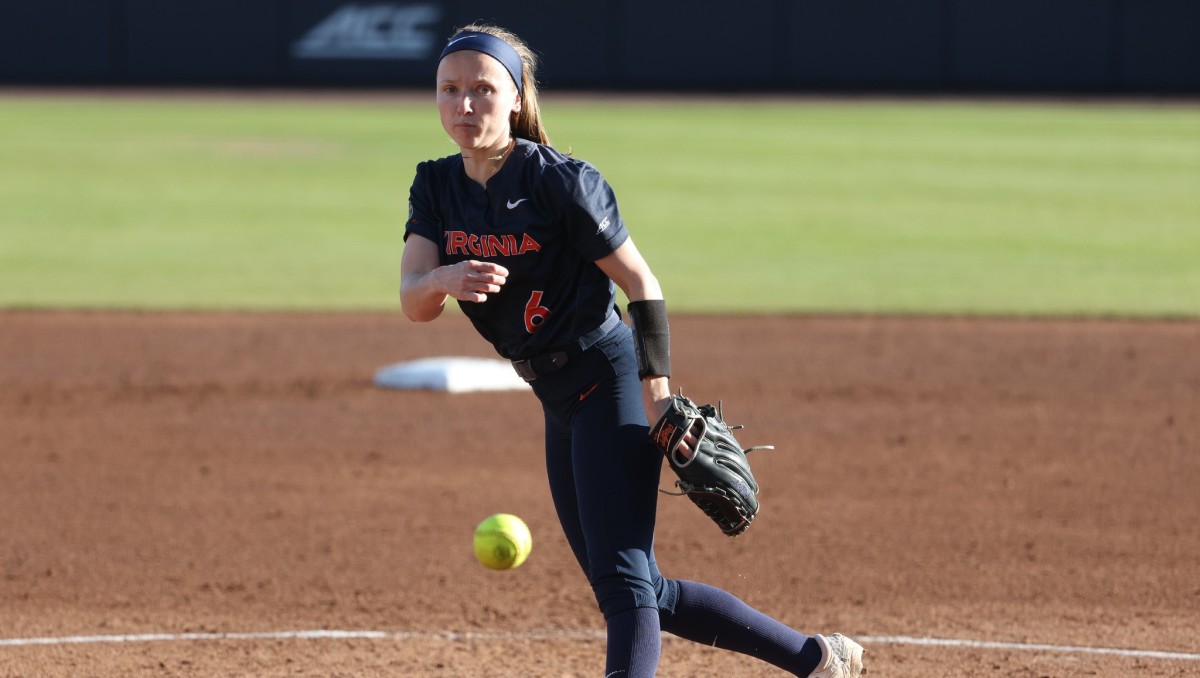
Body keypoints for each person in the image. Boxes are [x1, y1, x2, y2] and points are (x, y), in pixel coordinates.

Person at [400, 23, 865, 678]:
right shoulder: (434, 186)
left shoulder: (561, 182)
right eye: (450, 90)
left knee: (624, 584)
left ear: (515, 97)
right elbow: (413, 299)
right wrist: (443, 280)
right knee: (633, 585)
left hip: (608, 376)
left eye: (482, 88)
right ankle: (817, 659)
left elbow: (641, 284)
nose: (465, 104)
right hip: (556, 396)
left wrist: (658, 393)